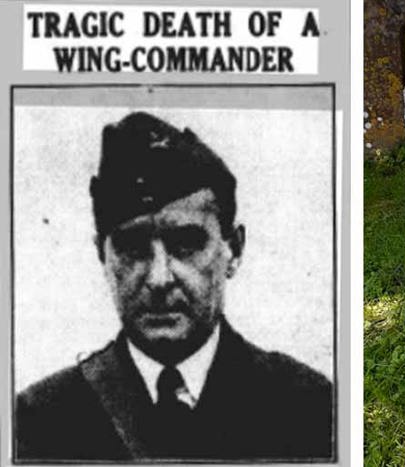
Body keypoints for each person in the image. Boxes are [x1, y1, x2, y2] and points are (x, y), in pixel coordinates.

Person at [14, 112, 334, 461]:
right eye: (133, 248)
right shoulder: (43, 421)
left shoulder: (305, 408)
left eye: (186, 244)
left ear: (234, 249)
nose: (159, 278)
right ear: (102, 256)